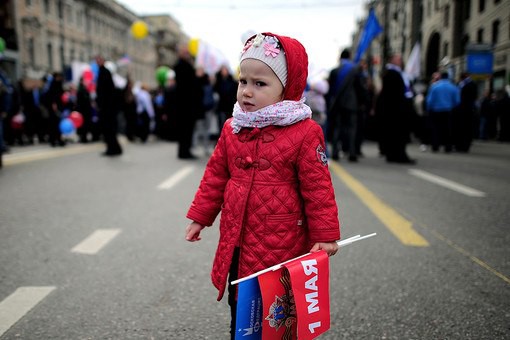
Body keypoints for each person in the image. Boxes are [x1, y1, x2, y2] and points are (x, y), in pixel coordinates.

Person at [184, 32, 341, 339]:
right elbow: (216, 175)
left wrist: (325, 234)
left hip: (282, 244)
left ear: (287, 88)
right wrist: (200, 217)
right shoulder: (234, 127)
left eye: (260, 84)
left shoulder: (305, 132)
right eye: (244, 81)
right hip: (238, 241)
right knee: (241, 309)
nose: (247, 92)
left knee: (276, 314)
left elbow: (318, 188)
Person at [374, 54, 416, 164]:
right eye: (398, 59)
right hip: (396, 110)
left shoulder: (394, 73)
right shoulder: (392, 73)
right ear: (392, 60)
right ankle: (398, 155)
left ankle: (393, 154)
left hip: (395, 110)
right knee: (398, 133)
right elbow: (394, 94)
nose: (400, 61)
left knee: (394, 133)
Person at [326, 48, 366, 162]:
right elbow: (360, 88)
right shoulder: (355, 69)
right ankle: (352, 153)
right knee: (351, 128)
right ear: (349, 56)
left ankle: (335, 152)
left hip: (337, 103)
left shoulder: (334, 70)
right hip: (351, 104)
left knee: (337, 128)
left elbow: (330, 90)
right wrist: (362, 102)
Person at [173, 44, 202, 159]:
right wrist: (197, 77)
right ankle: (184, 152)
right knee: (185, 129)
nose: (187, 54)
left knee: (188, 129)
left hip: (188, 104)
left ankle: (185, 151)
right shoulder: (181, 66)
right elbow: (188, 85)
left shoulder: (187, 65)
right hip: (184, 104)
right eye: (184, 52)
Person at [425, 72, 460, 153]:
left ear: (441, 77)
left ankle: (435, 146)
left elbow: (429, 100)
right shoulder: (453, 87)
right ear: (448, 77)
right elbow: (457, 101)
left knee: (436, 129)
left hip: (436, 111)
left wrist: (429, 109)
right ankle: (448, 147)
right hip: (448, 111)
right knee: (447, 129)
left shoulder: (435, 86)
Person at [96, 55, 122, 156]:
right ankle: (114, 148)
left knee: (109, 130)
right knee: (109, 130)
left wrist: (102, 104)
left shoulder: (105, 73)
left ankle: (112, 149)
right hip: (107, 108)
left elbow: (105, 92)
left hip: (107, 108)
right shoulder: (103, 72)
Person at [454, 72, 477, 152]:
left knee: (464, 128)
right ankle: (462, 146)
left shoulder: (467, 84)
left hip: (465, 109)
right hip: (465, 110)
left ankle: (463, 146)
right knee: (464, 128)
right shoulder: (464, 84)